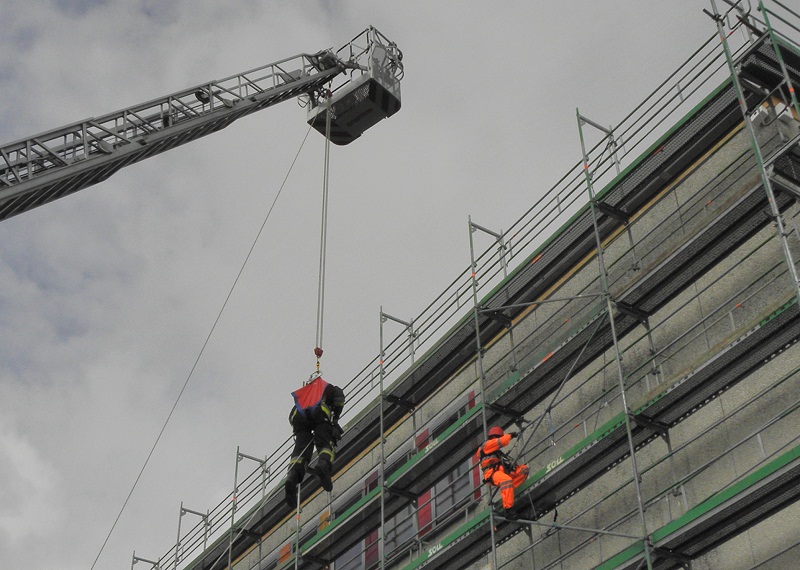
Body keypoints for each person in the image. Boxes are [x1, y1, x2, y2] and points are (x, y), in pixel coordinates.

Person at [285, 373, 345, 507]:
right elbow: (339, 397)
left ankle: (292, 477)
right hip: (319, 411)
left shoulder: (305, 392)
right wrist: (334, 422)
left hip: (297, 415)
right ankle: (323, 466)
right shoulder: (327, 388)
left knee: (300, 451)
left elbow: (292, 416)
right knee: (325, 444)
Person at [477, 425, 529, 516]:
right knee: (506, 480)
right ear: (493, 437)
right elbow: (501, 442)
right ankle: (508, 509)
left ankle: (508, 492)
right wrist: (510, 435)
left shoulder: (496, 452)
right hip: (491, 473)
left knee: (523, 470)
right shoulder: (486, 445)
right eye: (498, 437)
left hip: (501, 471)